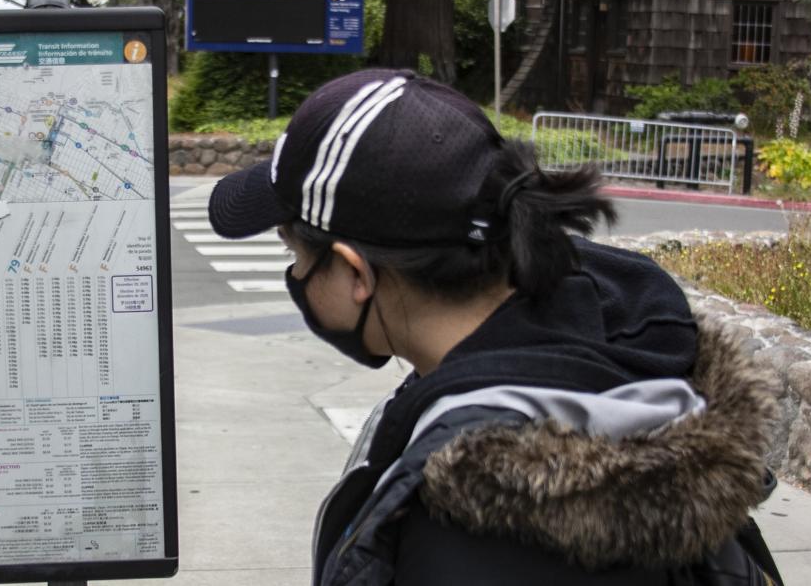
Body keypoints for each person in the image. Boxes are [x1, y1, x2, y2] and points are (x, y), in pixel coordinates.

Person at [207, 69, 782, 586]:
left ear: (356, 271)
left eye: (298, 254)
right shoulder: (610, 348)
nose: (297, 275)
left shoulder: (477, 526)